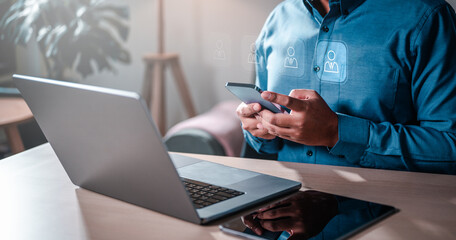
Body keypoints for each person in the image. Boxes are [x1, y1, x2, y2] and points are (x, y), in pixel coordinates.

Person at [237, 0, 456, 174]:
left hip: (386, 215)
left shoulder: (427, 17)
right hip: (283, 210)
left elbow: (449, 146)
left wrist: (337, 132)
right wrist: (259, 129)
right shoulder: (279, 17)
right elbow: (265, 143)